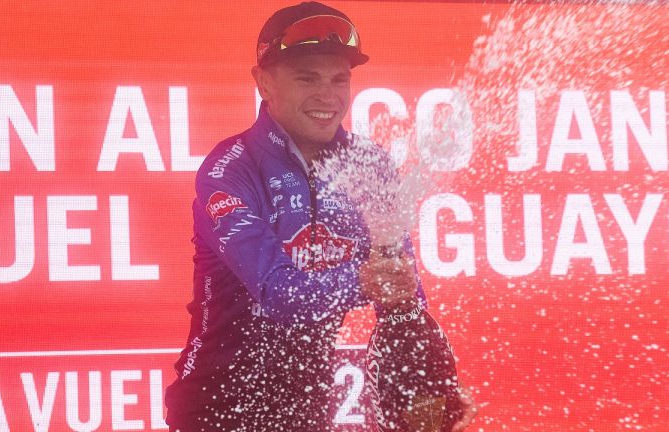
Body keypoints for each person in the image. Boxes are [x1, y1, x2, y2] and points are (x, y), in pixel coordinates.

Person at [164, 2, 477, 431]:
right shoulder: (229, 170)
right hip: (216, 405)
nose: (328, 97)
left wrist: (431, 378)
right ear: (264, 82)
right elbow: (277, 292)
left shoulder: (368, 166)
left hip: (308, 407)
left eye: (339, 79)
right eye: (306, 77)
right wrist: (365, 281)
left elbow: (401, 293)